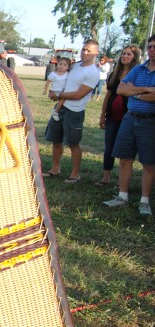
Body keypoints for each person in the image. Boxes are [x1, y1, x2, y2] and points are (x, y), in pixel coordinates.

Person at [103, 35, 155, 216]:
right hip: (130, 118)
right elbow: (121, 89)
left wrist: (133, 91)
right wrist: (145, 91)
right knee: (125, 159)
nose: (152, 50)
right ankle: (122, 196)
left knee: (149, 163)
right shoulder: (139, 69)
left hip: (150, 121)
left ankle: (144, 201)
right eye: (150, 46)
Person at [43, 39, 100, 183]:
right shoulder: (74, 66)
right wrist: (53, 91)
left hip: (74, 111)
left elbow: (79, 94)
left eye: (89, 50)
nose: (84, 52)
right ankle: (55, 168)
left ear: (96, 53)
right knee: (56, 139)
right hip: (60, 107)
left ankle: (75, 174)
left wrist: (58, 95)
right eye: (83, 49)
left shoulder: (93, 72)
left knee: (73, 143)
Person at [96, 45, 141, 185]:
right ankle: (106, 177)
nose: (125, 56)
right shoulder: (115, 73)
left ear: (134, 57)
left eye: (128, 54)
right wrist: (102, 115)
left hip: (128, 117)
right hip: (112, 117)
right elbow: (109, 94)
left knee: (125, 150)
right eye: (123, 53)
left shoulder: (138, 74)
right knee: (108, 147)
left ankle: (122, 181)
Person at [43, 57, 71, 122]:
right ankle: (55, 111)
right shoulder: (53, 74)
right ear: (57, 64)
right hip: (54, 91)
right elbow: (48, 82)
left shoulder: (67, 74)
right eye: (60, 64)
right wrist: (45, 90)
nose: (62, 66)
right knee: (63, 98)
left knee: (63, 98)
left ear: (68, 67)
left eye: (64, 65)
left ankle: (59, 110)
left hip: (62, 91)